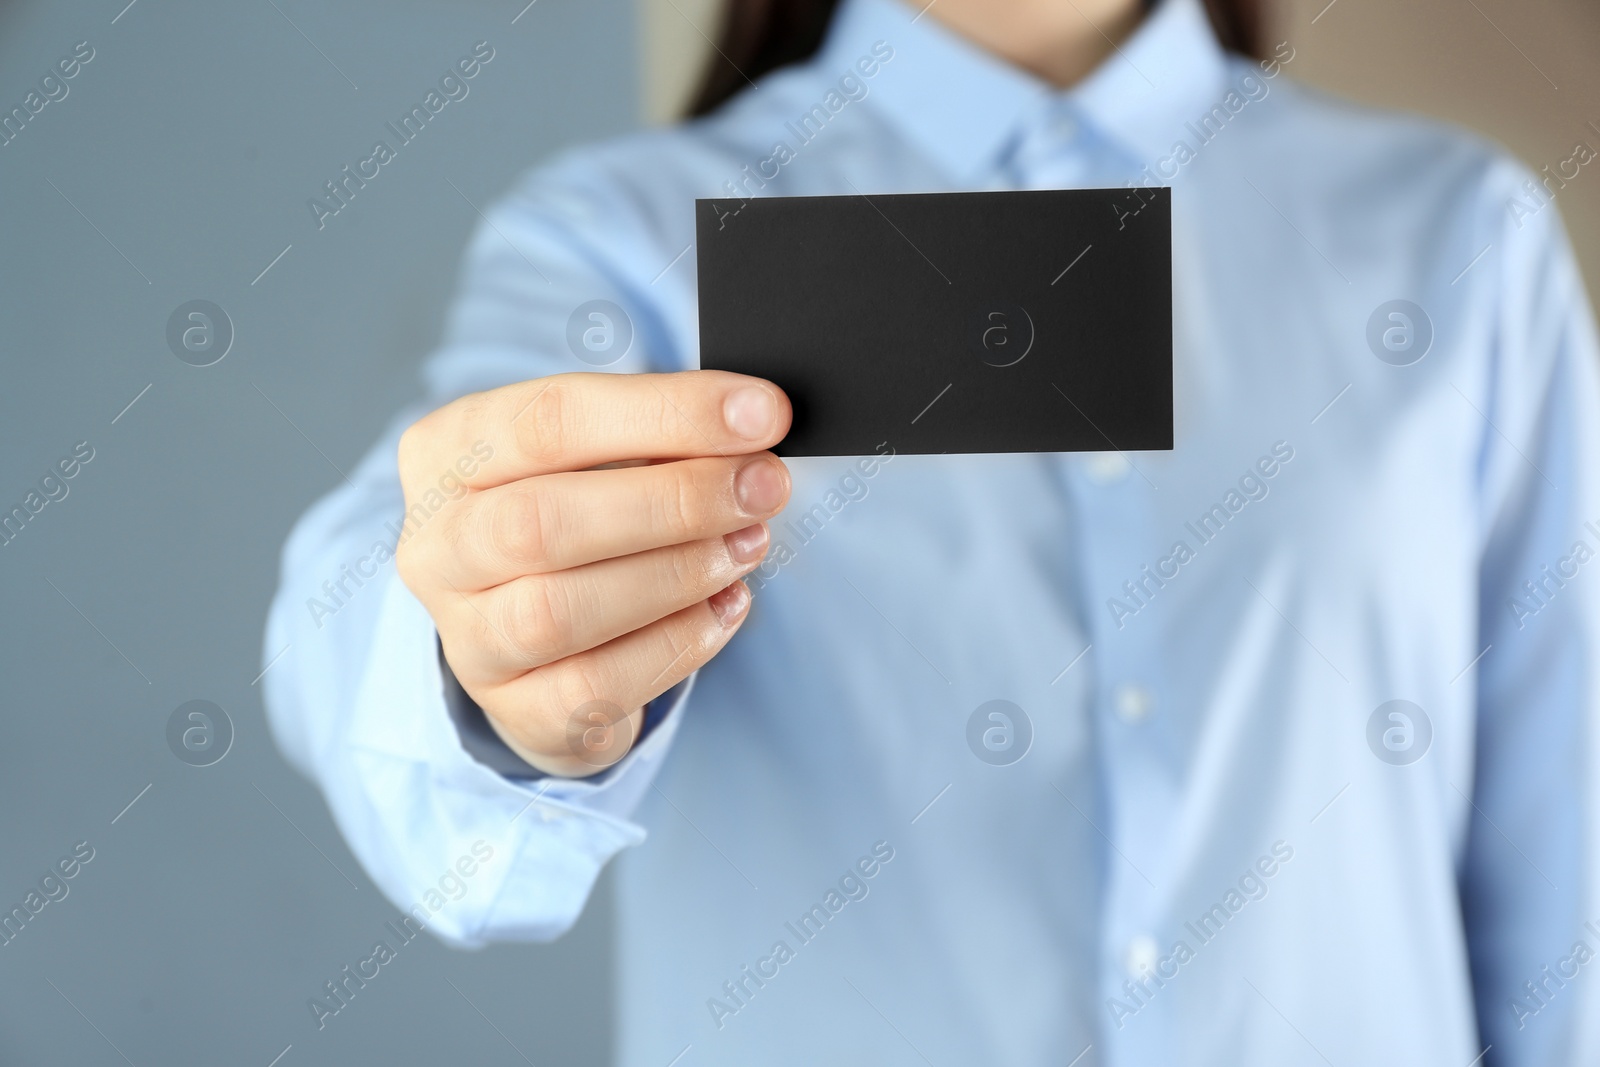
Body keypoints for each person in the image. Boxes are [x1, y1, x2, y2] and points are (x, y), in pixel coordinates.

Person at [262, 0, 1600, 1061]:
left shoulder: (1456, 243)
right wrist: (481, 660)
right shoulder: (619, 243)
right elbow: (373, 595)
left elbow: (1568, 887)